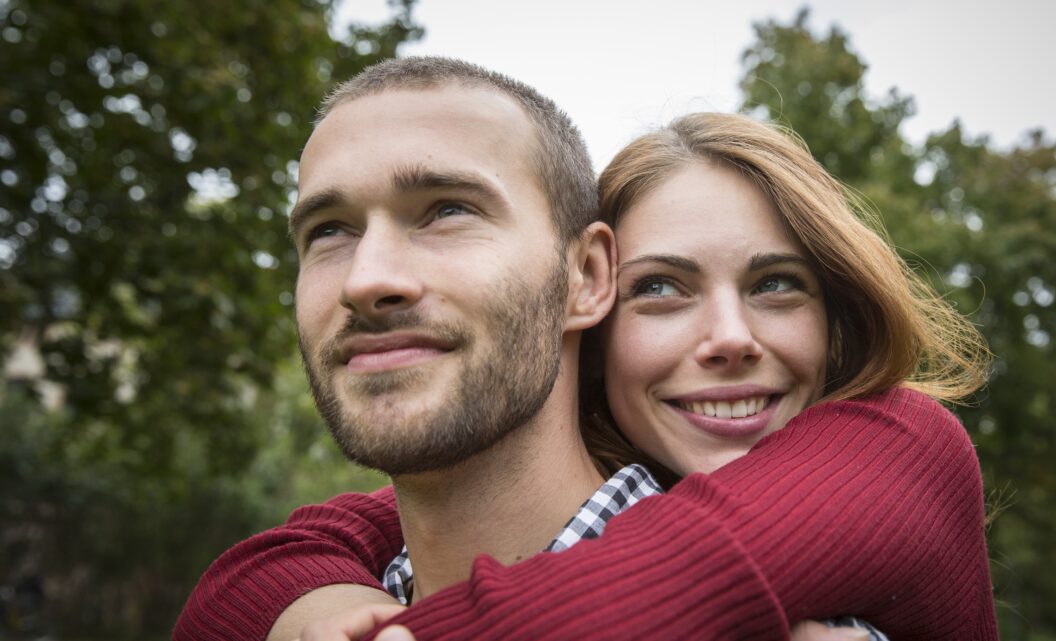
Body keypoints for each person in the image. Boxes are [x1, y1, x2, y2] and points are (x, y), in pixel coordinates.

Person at [175, 59, 996, 640]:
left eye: (447, 210)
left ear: (585, 278)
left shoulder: (862, 506)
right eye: (328, 230)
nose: (368, 277)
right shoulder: (348, 579)